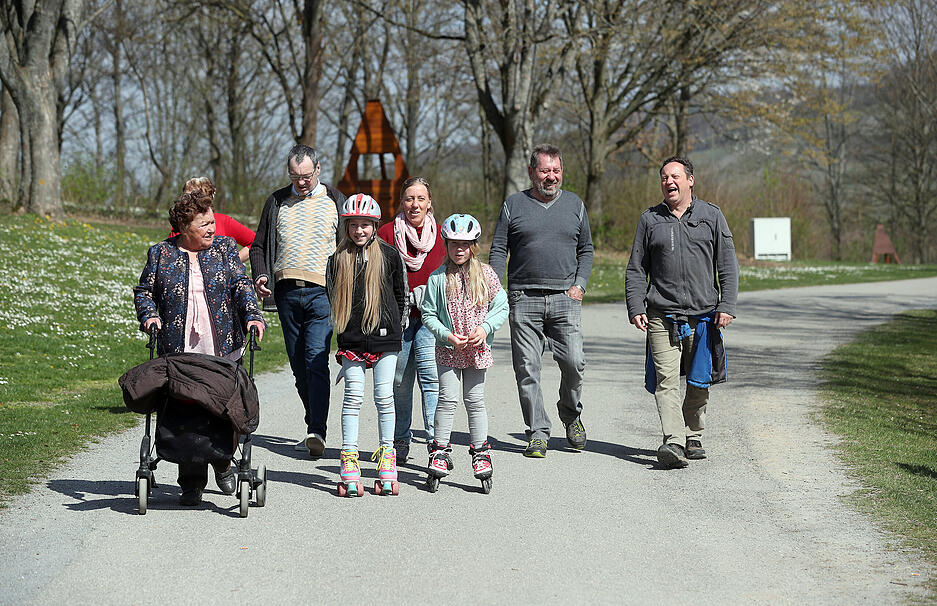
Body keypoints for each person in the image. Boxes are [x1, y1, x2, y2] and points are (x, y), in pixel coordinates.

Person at [134, 191, 266, 505]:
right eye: (203, 224)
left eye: (212, 222)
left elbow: (240, 284)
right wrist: (150, 315)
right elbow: (145, 292)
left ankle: (222, 462)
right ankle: (191, 482)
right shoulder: (161, 254)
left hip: (221, 345)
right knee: (185, 409)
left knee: (220, 405)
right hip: (179, 348)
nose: (211, 229)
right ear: (183, 226)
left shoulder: (224, 248)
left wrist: (252, 315)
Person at [625, 156, 739, 469]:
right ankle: (673, 440)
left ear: (690, 180)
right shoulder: (650, 220)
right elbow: (636, 269)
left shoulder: (711, 216)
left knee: (699, 381)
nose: (668, 182)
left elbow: (727, 265)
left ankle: (694, 433)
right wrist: (636, 306)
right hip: (662, 315)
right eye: (663, 177)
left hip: (703, 315)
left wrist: (726, 305)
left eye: (675, 176)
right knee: (666, 379)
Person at [489, 143, 594, 458]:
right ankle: (537, 432)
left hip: (565, 297)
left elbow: (586, 249)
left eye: (557, 170)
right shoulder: (513, 205)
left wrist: (580, 285)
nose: (552, 177)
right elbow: (498, 249)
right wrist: (496, 287)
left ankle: (570, 413)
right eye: (545, 171)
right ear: (533, 172)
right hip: (524, 297)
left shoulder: (575, 204)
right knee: (527, 369)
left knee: (574, 363)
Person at [250, 144, 346, 457]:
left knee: (316, 359)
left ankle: (317, 429)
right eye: (294, 175)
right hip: (287, 293)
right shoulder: (276, 201)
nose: (301, 181)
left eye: (305, 175)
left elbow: (347, 247)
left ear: (318, 169)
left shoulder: (336, 201)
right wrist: (262, 276)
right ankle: (312, 421)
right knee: (298, 366)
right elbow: (258, 247)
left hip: (323, 293)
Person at [325, 194, 407, 496]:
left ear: (375, 226)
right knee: (353, 396)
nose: (359, 231)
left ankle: (388, 456)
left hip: (386, 338)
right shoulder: (336, 260)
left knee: (384, 396)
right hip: (352, 340)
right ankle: (349, 458)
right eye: (354, 225)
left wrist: (397, 325)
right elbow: (333, 298)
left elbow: (401, 294)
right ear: (346, 226)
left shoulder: (388, 256)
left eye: (365, 225)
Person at [420, 214, 508, 493]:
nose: (460, 249)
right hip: (448, 349)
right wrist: (445, 335)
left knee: (475, 400)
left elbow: (501, 307)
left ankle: (481, 452)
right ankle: (440, 451)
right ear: (445, 245)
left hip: (476, 350)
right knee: (446, 399)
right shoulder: (437, 279)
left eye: (465, 244)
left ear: (474, 246)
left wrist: (485, 329)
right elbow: (428, 315)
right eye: (454, 244)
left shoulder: (486, 275)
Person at [377, 177, 447, 462]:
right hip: (399, 318)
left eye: (420, 198)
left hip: (432, 319)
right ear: (402, 202)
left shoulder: (443, 235)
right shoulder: (386, 233)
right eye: (409, 198)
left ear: (429, 202)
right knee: (399, 381)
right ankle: (400, 441)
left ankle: (436, 444)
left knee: (431, 379)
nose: (414, 204)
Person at [171, 177, 255, 263]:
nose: (188, 202)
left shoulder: (224, 221)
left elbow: (255, 243)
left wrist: (231, 263)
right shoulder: (181, 224)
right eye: (186, 198)